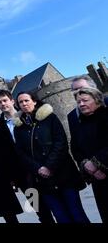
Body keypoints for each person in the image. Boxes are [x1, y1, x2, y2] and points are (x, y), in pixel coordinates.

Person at [14, 91, 89, 223]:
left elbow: (61, 142)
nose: (24, 104)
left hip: (63, 174)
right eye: (21, 102)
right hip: (42, 181)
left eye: (26, 100)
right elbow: (21, 153)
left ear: (34, 101)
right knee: (60, 217)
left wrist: (49, 166)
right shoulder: (19, 127)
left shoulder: (50, 118)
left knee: (76, 213)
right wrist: (38, 168)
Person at [0, 89, 55, 223]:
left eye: (5, 100)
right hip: (21, 174)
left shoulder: (27, 116)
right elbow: (2, 153)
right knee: (39, 207)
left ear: (12, 101)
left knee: (54, 203)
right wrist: (11, 176)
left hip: (39, 167)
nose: (3, 104)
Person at [70, 87, 108, 223]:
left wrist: (97, 163)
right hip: (97, 179)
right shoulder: (80, 124)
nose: (81, 104)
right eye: (78, 102)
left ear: (97, 100)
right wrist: (86, 164)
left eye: (85, 100)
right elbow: (75, 148)